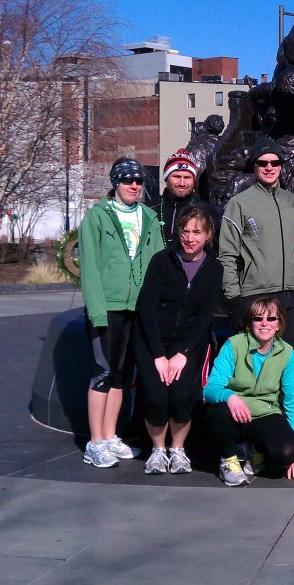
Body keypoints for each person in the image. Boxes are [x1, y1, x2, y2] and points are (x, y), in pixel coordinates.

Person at [78, 157, 166, 468]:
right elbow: (89, 268)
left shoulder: (149, 218)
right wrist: (98, 312)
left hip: (138, 309)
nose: (134, 186)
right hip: (110, 307)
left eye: (139, 181)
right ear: (116, 183)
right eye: (127, 180)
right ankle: (95, 441)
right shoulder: (97, 217)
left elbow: (158, 265)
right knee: (104, 372)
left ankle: (111, 435)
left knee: (122, 375)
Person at [134, 206, 223, 475]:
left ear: (207, 235)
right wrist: (159, 355)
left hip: (187, 343)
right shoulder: (162, 261)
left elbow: (204, 316)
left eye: (196, 232)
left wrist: (183, 353)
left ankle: (178, 449)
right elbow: (146, 309)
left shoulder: (214, 268)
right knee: (158, 396)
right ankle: (158, 449)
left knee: (182, 395)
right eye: (185, 231)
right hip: (153, 341)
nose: (189, 237)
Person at [203, 297, 294, 486]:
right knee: (219, 410)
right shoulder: (233, 345)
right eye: (258, 319)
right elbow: (210, 388)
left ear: (279, 323)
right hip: (233, 412)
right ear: (250, 323)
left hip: (266, 412)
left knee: (286, 453)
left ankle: (253, 449)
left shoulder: (287, 353)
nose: (265, 323)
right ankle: (228, 460)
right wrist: (230, 396)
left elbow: (293, 400)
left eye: (271, 319)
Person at [218, 136, 294, 352]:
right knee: (257, 361)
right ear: (254, 167)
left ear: (281, 167)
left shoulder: (292, 200)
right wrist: (233, 298)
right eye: (262, 163)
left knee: (290, 359)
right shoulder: (240, 203)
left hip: (290, 293)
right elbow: (227, 254)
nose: (269, 167)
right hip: (257, 294)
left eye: (275, 163)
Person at [155, 148, 216, 250]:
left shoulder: (206, 210)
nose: (182, 183)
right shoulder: (150, 208)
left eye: (187, 177)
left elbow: (214, 249)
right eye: (177, 176)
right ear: (166, 178)